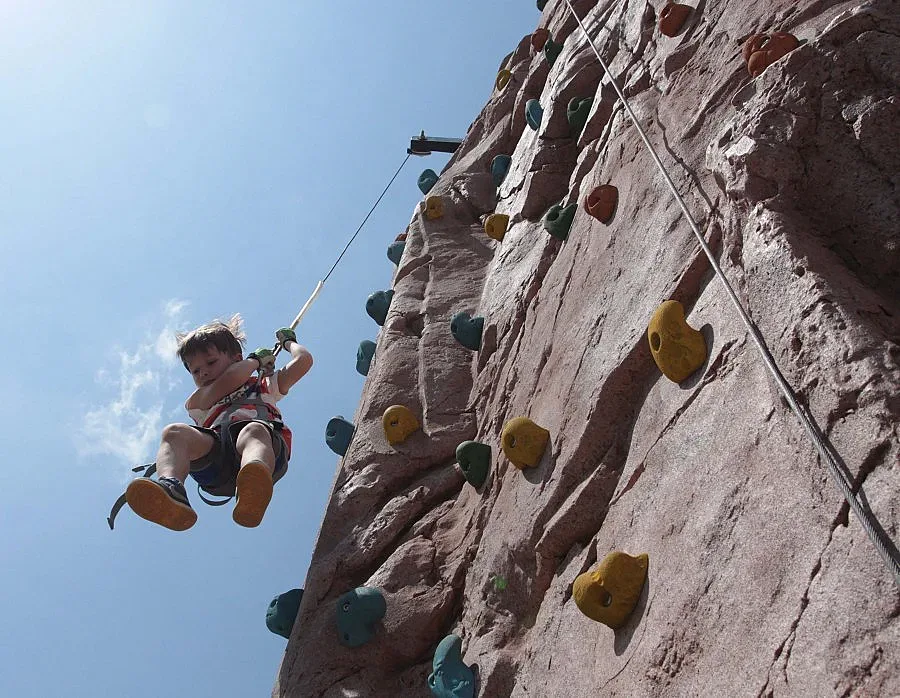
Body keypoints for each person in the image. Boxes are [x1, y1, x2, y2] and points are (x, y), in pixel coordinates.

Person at [125, 315, 313, 531]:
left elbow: (304, 361)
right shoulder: (198, 401)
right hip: (219, 461)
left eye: (211, 362)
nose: (203, 372)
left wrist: (288, 343)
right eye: (195, 371)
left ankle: (254, 480)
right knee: (174, 432)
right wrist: (255, 361)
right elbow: (230, 380)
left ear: (236, 358)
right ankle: (171, 487)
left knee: (252, 430)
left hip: (263, 450)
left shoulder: (264, 385)